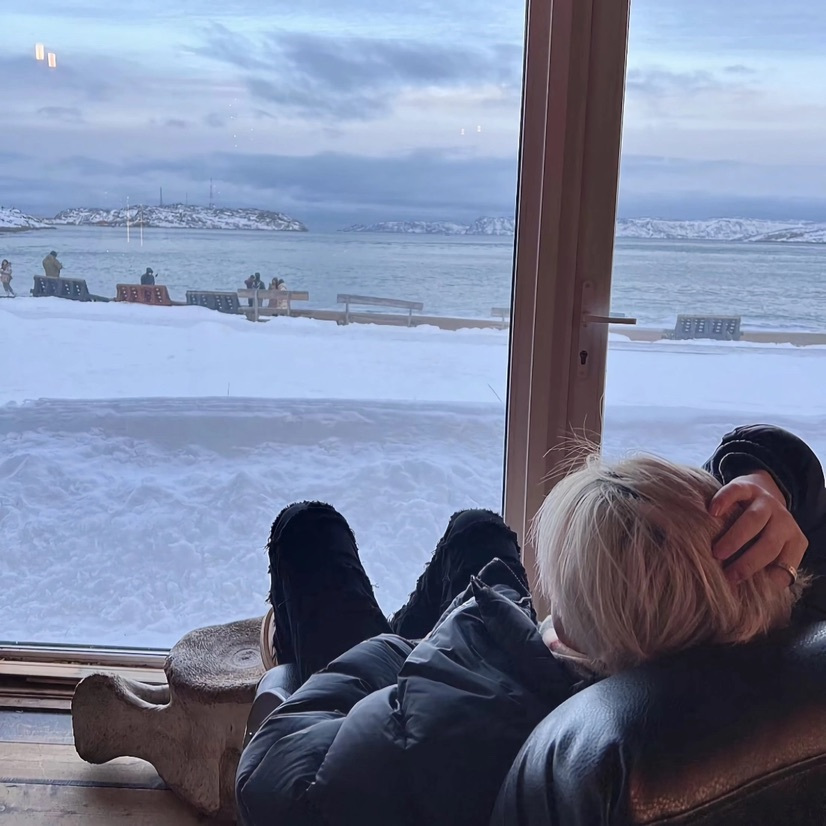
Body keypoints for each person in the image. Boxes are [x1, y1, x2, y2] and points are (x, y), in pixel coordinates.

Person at [237, 425, 825, 826]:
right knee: (476, 530)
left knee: (306, 528)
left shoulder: (438, 742)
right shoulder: (775, 634)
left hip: (404, 689)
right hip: (493, 660)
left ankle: (294, 643)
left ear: (571, 632)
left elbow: (271, 776)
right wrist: (764, 477)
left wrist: (396, 650)